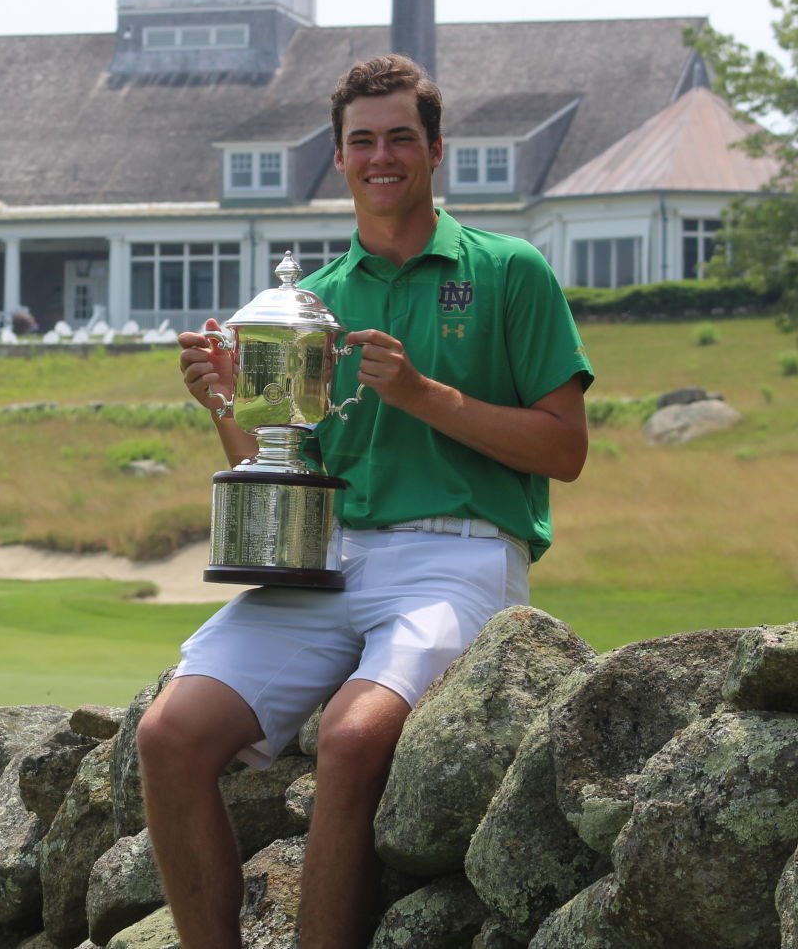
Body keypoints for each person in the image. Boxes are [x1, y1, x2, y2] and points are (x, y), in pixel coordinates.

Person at [137, 54, 594, 949]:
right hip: (327, 557)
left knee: (351, 738)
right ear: (339, 160)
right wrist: (225, 405)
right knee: (169, 734)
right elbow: (280, 468)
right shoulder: (309, 305)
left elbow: (564, 450)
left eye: (399, 138)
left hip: (459, 556)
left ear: (433, 152)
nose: (380, 155)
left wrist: (424, 395)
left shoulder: (509, 271)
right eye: (361, 141)